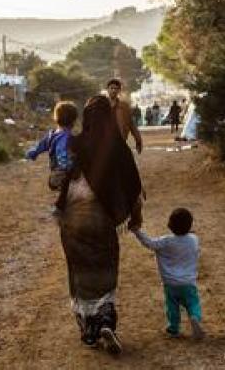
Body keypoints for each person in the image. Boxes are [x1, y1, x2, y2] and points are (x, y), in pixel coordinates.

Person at [56, 95, 143, 355]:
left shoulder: (75, 143)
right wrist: (134, 217)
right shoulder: (118, 148)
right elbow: (133, 186)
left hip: (72, 219)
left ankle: (89, 331)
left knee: (79, 270)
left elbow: (60, 178)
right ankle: (106, 319)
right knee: (105, 266)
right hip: (101, 219)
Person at [129, 208, 205, 340]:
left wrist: (137, 231)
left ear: (170, 224)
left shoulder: (166, 241)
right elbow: (192, 242)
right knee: (193, 303)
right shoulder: (194, 239)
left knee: (172, 306)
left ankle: (173, 329)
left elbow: (149, 243)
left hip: (170, 284)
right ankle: (194, 317)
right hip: (188, 283)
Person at [26, 101, 78, 210]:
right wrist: (70, 167)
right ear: (73, 120)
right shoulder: (66, 137)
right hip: (61, 176)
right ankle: (61, 207)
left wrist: (30, 154)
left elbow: (38, 148)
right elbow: (62, 157)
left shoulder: (52, 134)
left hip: (55, 174)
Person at [106, 79, 143, 154]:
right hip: (104, 142)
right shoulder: (101, 106)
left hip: (120, 141)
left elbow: (131, 124)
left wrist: (138, 140)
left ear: (119, 90)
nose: (113, 90)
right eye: (111, 88)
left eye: (116, 88)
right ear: (107, 89)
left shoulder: (124, 107)